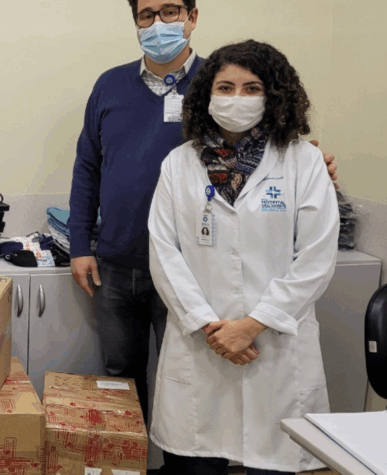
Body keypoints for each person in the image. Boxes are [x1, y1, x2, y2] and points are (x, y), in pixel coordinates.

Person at [67, 0, 338, 420]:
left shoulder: (221, 86)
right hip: (117, 262)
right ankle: (126, 465)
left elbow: (270, 149)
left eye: (169, 12)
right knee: (119, 374)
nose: (157, 24)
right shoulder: (110, 85)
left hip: (194, 269)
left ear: (192, 17)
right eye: (146, 15)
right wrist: (80, 244)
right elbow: (87, 167)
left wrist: (311, 164)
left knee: (196, 381)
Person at [148, 40, 339, 475]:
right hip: (203, 344)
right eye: (226, 86)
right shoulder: (179, 164)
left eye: (252, 88)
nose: (237, 98)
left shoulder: (303, 162)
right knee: (195, 463)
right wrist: (209, 327)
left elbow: (315, 257)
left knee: (274, 461)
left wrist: (252, 325)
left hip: (272, 344)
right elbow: (163, 250)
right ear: (207, 94)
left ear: (274, 96)